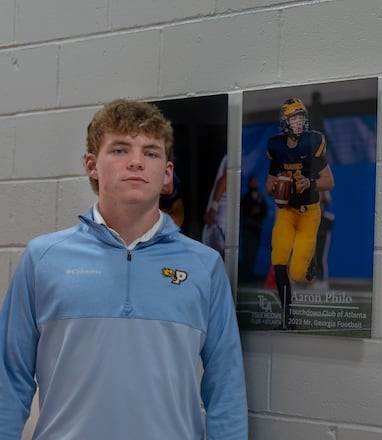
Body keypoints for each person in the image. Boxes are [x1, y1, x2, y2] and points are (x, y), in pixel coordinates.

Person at [0, 99, 248, 439]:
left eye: (151, 152)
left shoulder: (204, 266)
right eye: (119, 150)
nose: (136, 162)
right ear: (91, 165)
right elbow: (8, 379)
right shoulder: (42, 258)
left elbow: (226, 388)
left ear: (167, 174)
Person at [266, 97, 334, 329]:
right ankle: (288, 316)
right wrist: (280, 186)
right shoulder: (276, 146)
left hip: (308, 212)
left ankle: (310, 260)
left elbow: (329, 181)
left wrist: (310, 182)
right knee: (278, 259)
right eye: (294, 118)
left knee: (297, 273)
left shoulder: (313, 141)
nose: (298, 123)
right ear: (285, 122)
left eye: (301, 118)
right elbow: (268, 185)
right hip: (286, 212)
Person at [239, 175, 268, 283]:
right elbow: (243, 211)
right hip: (248, 229)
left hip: (257, 229)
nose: (255, 183)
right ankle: (245, 276)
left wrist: (259, 211)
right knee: (248, 253)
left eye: (256, 181)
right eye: (253, 181)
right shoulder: (246, 197)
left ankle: (249, 275)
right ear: (250, 183)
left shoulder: (260, 197)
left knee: (253, 253)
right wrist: (251, 211)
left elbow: (264, 211)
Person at [202, 153, 227, 257]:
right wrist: (214, 207)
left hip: (220, 219)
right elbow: (225, 179)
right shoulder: (232, 156)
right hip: (219, 219)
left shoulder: (233, 156)